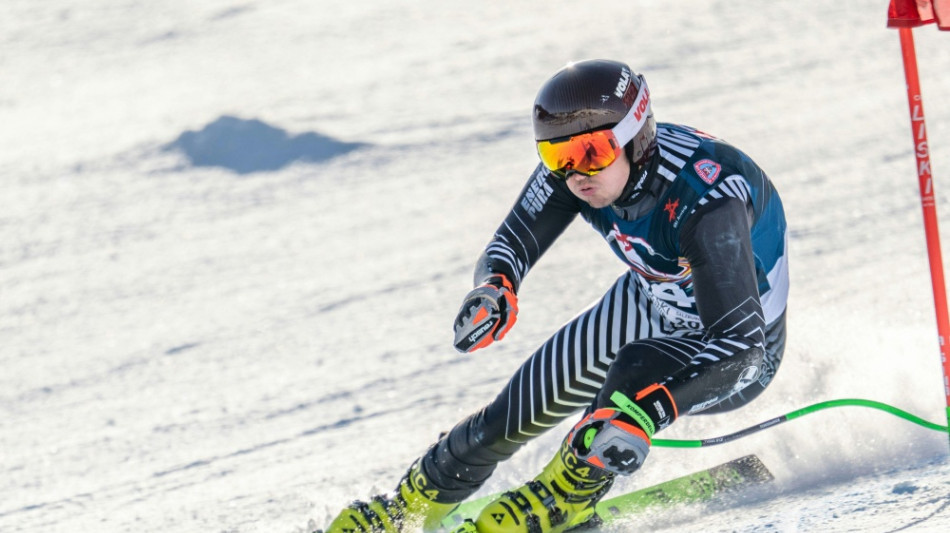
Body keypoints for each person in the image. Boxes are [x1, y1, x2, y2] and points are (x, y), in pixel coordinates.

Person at [319, 59, 788, 533]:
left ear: (636, 139)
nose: (576, 172)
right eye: (555, 155)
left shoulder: (707, 201)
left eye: (593, 151)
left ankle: (565, 498)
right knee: (507, 418)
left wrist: (649, 412)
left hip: (736, 348)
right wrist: (495, 285)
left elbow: (743, 352)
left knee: (633, 370)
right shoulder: (578, 172)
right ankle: (409, 509)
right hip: (651, 301)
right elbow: (511, 243)